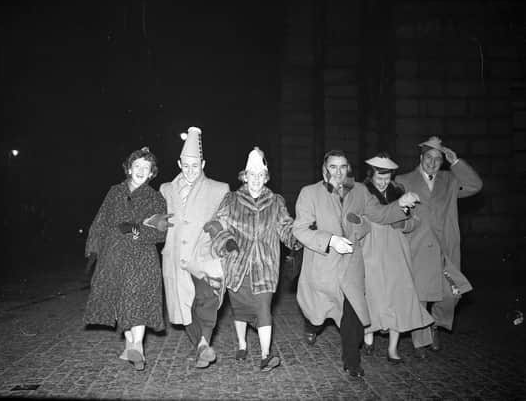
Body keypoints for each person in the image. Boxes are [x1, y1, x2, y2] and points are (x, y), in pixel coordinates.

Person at [293, 149, 420, 377]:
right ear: (324, 170)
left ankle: (352, 362)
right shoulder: (309, 193)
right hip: (323, 266)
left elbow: (380, 214)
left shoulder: (360, 191)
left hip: (351, 265)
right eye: (333, 167)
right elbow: (300, 229)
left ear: (348, 169)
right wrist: (330, 240)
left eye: (343, 167)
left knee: (353, 318)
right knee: (318, 313)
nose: (338, 172)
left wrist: (400, 204)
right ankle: (312, 326)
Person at [207, 147, 301, 372]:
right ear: (245, 176)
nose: (256, 180)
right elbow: (216, 225)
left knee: (263, 308)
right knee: (240, 309)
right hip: (237, 263)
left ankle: (266, 355)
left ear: (266, 177)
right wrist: (227, 242)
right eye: (252, 175)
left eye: (261, 175)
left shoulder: (276, 201)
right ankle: (241, 344)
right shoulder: (231, 199)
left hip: (266, 265)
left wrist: (297, 239)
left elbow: (285, 226)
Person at [396, 136, 480, 356]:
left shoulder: (450, 181)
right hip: (418, 246)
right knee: (421, 295)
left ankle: (436, 325)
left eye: (438, 159)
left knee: (452, 293)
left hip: (445, 247)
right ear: (420, 157)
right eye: (428, 157)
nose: (432, 163)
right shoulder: (403, 180)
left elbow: (474, 185)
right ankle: (420, 342)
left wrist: (456, 163)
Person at [84, 147, 167, 371]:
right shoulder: (114, 192)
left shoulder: (156, 198)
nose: (141, 171)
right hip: (114, 256)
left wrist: (134, 230)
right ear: (129, 169)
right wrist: (93, 249)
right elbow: (100, 220)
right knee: (123, 303)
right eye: (137, 166)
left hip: (141, 258)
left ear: (152, 173)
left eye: (146, 168)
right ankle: (130, 345)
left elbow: (160, 232)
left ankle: (137, 347)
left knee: (136, 301)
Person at [160, 127, 230, 369]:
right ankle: (200, 346)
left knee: (205, 301)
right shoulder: (166, 189)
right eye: (186, 165)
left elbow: (226, 220)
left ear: (203, 163)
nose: (190, 170)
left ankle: (203, 344)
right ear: (179, 163)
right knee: (183, 307)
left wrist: (218, 231)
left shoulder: (219, 189)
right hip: (175, 257)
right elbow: (160, 221)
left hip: (204, 256)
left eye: (195, 165)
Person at [361, 153, 434, 363]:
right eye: (378, 177)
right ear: (371, 175)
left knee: (397, 298)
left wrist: (403, 224)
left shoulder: (400, 191)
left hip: (396, 252)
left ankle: (393, 349)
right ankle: (368, 336)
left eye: (387, 177)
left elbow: (415, 221)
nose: (383, 182)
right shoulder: (362, 193)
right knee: (371, 294)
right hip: (371, 250)